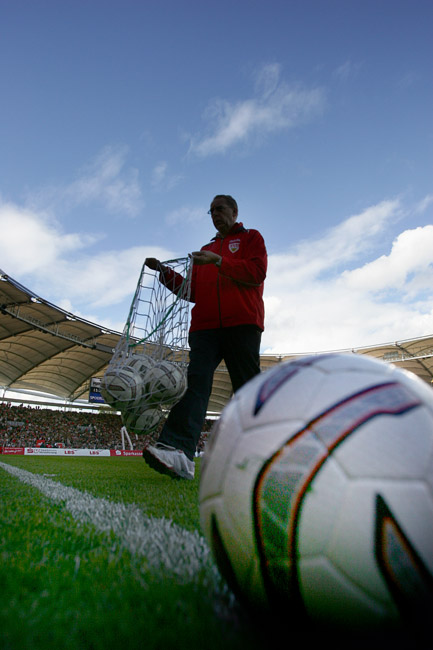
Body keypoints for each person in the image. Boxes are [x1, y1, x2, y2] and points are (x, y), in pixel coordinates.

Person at [142, 194, 267, 479]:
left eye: (219, 209)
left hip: (243, 324)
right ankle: (178, 453)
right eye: (210, 211)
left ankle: (260, 457)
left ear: (234, 211)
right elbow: (192, 292)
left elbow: (257, 273)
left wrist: (220, 261)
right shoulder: (204, 250)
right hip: (205, 328)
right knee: (194, 385)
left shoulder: (251, 238)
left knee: (247, 391)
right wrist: (164, 272)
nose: (214, 214)